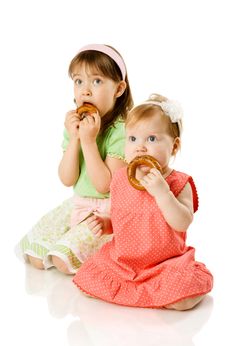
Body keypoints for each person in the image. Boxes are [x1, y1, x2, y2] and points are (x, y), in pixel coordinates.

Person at [73, 93, 213, 310]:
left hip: (165, 264)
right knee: (87, 281)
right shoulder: (120, 178)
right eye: (132, 139)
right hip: (123, 262)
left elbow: (182, 222)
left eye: (152, 139)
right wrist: (106, 222)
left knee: (184, 298)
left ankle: (161, 292)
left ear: (174, 147)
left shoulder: (178, 182)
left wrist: (162, 193)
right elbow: (123, 218)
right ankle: (149, 294)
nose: (140, 147)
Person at [16, 44, 133, 274]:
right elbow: (67, 179)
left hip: (105, 213)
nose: (85, 91)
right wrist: (74, 140)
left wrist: (89, 142)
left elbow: (104, 186)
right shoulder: (76, 125)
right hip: (78, 203)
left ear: (118, 89)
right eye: (79, 81)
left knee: (61, 261)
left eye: (96, 81)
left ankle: (104, 255)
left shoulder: (122, 129)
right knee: (35, 257)